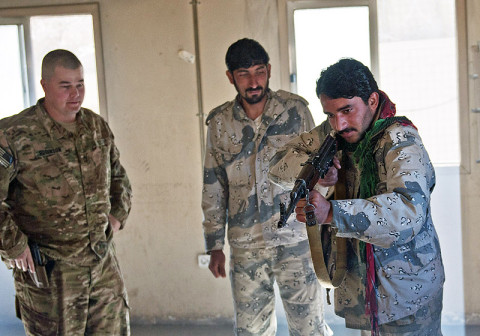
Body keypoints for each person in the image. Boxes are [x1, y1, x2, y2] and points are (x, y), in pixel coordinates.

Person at [269, 58, 445, 335]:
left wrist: (333, 213)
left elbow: (408, 213)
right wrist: (315, 173)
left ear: (372, 100)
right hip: (365, 291)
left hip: (407, 294)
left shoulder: (401, 140)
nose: (338, 123)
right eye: (329, 114)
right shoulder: (338, 132)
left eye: (347, 110)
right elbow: (277, 162)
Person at [201, 38, 332, 336]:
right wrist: (214, 245)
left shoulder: (295, 111)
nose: (253, 81)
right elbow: (213, 184)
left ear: (269, 70)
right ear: (230, 77)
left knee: (309, 328)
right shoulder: (219, 122)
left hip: (296, 240)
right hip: (246, 246)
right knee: (251, 331)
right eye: (244, 74)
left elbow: (320, 170)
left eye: (259, 71)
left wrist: (323, 223)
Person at [0, 49, 132, 335]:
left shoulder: (95, 126)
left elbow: (119, 177)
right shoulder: (13, 134)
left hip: (102, 270)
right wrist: (14, 244)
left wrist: (117, 216)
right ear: (45, 85)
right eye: (66, 86)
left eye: (80, 84)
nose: (76, 94)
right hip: (51, 278)